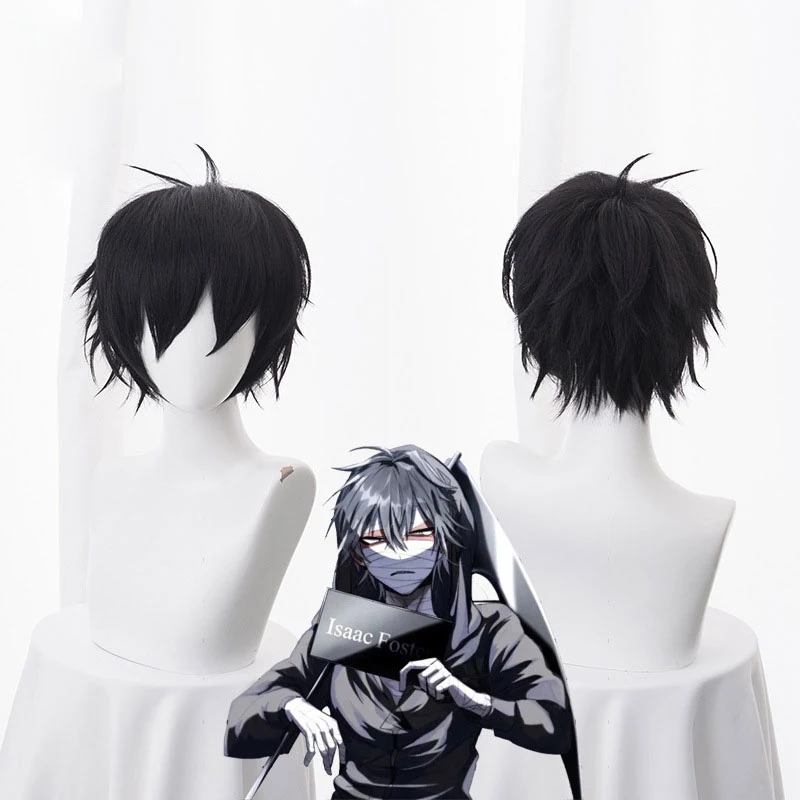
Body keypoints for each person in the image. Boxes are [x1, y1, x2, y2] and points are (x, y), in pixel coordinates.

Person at [225, 445, 573, 800]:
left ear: (447, 535)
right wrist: (291, 705)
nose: (399, 554)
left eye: (419, 534)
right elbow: (241, 719)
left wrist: (475, 701)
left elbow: (555, 723)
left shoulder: (489, 629)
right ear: (356, 550)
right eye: (375, 539)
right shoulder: (346, 625)